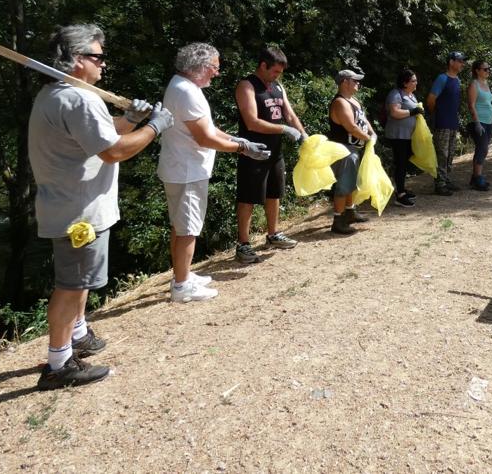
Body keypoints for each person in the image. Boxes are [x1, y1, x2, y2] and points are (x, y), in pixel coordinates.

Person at [29, 24, 173, 390]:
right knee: (71, 284)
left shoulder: (56, 95)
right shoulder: (79, 98)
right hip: (79, 211)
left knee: (80, 281)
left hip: (69, 205)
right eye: (98, 57)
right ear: (77, 60)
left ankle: (77, 333)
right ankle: (58, 364)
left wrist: (131, 121)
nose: (103, 64)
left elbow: (100, 132)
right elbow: (113, 151)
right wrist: (154, 128)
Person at [158, 43, 271, 303]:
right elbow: (205, 138)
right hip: (186, 171)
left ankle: (182, 275)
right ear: (199, 66)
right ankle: (182, 286)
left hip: (183, 168)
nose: (217, 73)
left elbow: (208, 128)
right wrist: (242, 148)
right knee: (187, 229)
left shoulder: (184, 86)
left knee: (180, 226)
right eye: (214, 67)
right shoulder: (186, 91)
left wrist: (237, 139)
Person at [234, 46, 308, 263]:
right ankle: (243, 244)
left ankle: (273, 234)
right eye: (274, 71)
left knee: (274, 193)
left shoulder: (277, 86)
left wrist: (303, 134)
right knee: (248, 197)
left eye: (280, 72)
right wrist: (284, 129)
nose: (277, 76)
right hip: (253, 151)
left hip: (275, 151)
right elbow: (252, 122)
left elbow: (289, 115)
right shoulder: (247, 86)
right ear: (263, 65)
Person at [328, 69, 375, 234]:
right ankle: (338, 220)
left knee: (351, 183)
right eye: (355, 80)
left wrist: (372, 133)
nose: (358, 83)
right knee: (344, 184)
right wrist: (368, 138)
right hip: (343, 150)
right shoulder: (340, 103)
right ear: (344, 82)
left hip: (353, 148)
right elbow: (351, 127)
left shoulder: (353, 100)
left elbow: (363, 119)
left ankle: (350, 211)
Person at [426, 51, 467, 195]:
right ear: (451, 62)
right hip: (442, 123)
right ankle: (440, 184)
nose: (463, 64)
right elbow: (431, 100)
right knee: (441, 154)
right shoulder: (442, 78)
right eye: (460, 61)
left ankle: (446, 180)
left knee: (449, 154)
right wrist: (437, 114)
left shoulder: (457, 80)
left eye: (463, 61)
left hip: (453, 123)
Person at [384, 69, 423, 208]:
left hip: (408, 136)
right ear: (405, 83)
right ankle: (400, 195)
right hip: (398, 135)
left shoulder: (411, 95)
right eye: (413, 80)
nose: (416, 83)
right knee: (400, 163)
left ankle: (402, 189)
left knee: (404, 163)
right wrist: (413, 111)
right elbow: (394, 112)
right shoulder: (396, 94)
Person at [467, 60, 492, 191]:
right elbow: (471, 105)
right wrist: (477, 122)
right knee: (482, 149)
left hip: (488, 121)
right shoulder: (474, 85)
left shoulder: (486, 84)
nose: (488, 71)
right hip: (479, 121)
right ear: (477, 71)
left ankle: (475, 177)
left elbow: (488, 103)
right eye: (485, 69)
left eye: (488, 69)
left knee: (484, 149)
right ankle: (478, 178)